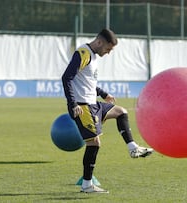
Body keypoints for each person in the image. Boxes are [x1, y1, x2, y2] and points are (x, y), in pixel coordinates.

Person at [61, 28, 153, 194]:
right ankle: (87, 185)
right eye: (108, 49)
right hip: (82, 107)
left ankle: (133, 148)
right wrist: (73, 103)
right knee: (94, 143)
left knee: (121, 111)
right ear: (99, 42)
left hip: (93, 104)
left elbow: (87, 81)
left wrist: (103, 94)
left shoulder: (93, 56)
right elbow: (67, 77)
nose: (108, 53)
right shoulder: (83, 53)